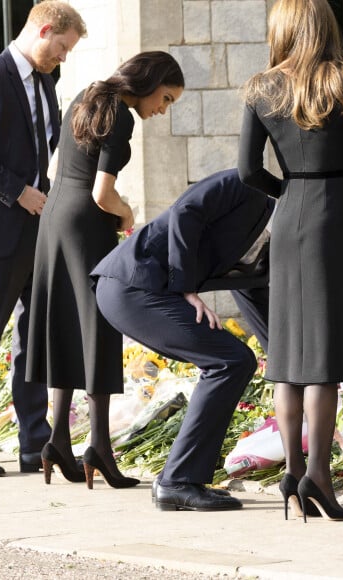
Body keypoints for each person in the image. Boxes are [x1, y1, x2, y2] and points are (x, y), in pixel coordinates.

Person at [238, 0, 343, 521]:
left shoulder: (259, 88)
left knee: (289, 355)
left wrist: (288, 188)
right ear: (325, 28)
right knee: (324, 355)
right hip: (330, 216)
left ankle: (292, 473)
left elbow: (247, 172)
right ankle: (318, 475)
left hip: (288, 216)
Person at [26, 52, 184, 489]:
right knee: (98, 327)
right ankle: (99, 446)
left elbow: (63, 165)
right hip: (84, 222)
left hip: (55, 215)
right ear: (150, 82)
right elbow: (103, 192)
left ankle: (58, 440)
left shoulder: (86, 95)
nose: (163, 109)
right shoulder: (122, 115)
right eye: (166, 98)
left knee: (65, 324)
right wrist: (128, 213)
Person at [0, 1, 86, 477]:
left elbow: (43, 150)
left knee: (33, 335)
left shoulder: (47, 83)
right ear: (44, 30)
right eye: (63, 47)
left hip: (36, 225)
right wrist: (18, 191)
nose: (64, 58)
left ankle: (34, 441)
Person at [92, 168, 274, 510]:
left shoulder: (271, 249)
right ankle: (178, 480)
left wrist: (285, 367)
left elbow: (252, 291)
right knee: (228, 362)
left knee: (235, 361)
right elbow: (186, 211)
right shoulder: (242, 185)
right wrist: (187, 287)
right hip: (132, 285)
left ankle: (177, 477)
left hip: (145, 291)